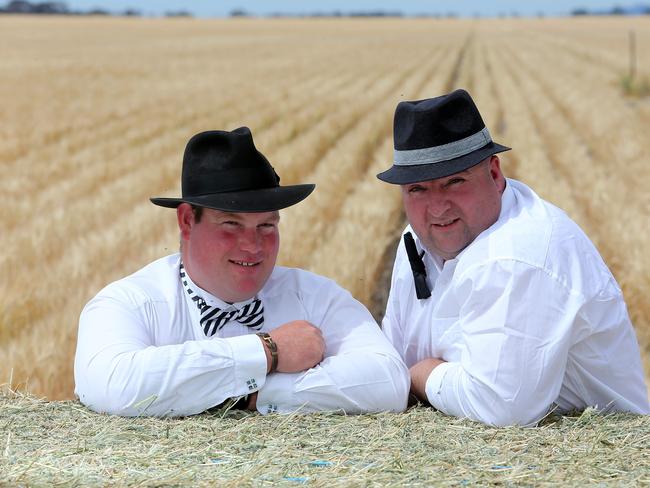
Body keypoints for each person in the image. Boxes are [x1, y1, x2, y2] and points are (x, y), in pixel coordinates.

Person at [75, 127, 409, 417]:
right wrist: (268, 351)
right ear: (187, 221)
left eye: (267, 225)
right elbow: (110, 383)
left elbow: (389, 381)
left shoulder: (317, 296)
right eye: (231, 224)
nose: (253, 245)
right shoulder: (127, 303)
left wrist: (249, 395)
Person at [376, 89, 650, 426]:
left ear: (494, 173)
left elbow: (503, 407)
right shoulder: (415, 238)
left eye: (454, 182)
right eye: (418, 189)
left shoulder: (520, 253)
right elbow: (392, 359)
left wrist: (422, 375)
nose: (437, 208)